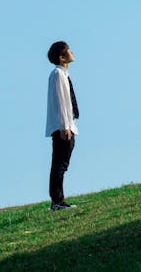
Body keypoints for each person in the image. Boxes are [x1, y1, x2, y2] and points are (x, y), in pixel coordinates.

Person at [46, 41, 80, 211]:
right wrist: (64, 126)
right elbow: (60, 102)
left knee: (61, 164)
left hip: (67, 125)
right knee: (60, 164)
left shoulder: (63, 74)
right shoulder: (58, 74)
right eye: (69, 51)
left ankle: (57, 201)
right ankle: (57, 201)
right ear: (61, 57)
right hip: (63, 127)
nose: (72, 53)